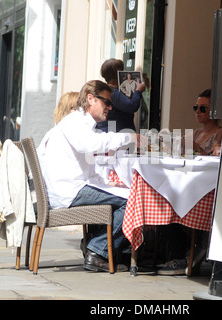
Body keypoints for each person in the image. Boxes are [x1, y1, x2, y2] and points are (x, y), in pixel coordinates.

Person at [37, 80, 143, 272]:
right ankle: (98, 251)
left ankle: (98, 247)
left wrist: (107, 183)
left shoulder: (81, 123)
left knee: (127, 193)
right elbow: (91, 146)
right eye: (107, 103)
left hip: (72, 186)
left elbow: (88, 166)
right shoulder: (75, 122)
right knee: (134, 200)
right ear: (90, 99)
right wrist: (129, 136)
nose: (110, 108)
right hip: (69, 190)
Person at [157, 89, 222, 276]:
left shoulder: (220, 134)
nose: (198, 111)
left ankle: (185, 253)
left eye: (203, 108)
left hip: (203, 189)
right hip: (186, 182)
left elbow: (214, 162)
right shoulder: (195, 133)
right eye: (196, 107)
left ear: (215, 111)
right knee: (162, 200)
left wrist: (197, 149)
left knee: (167, 204)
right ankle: (186, 252)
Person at [96, 59, 146, 133]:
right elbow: (131, 106)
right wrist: (138, 91)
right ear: (119, 73)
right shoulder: (112, 92)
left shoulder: (105, 90)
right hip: (118, 136)